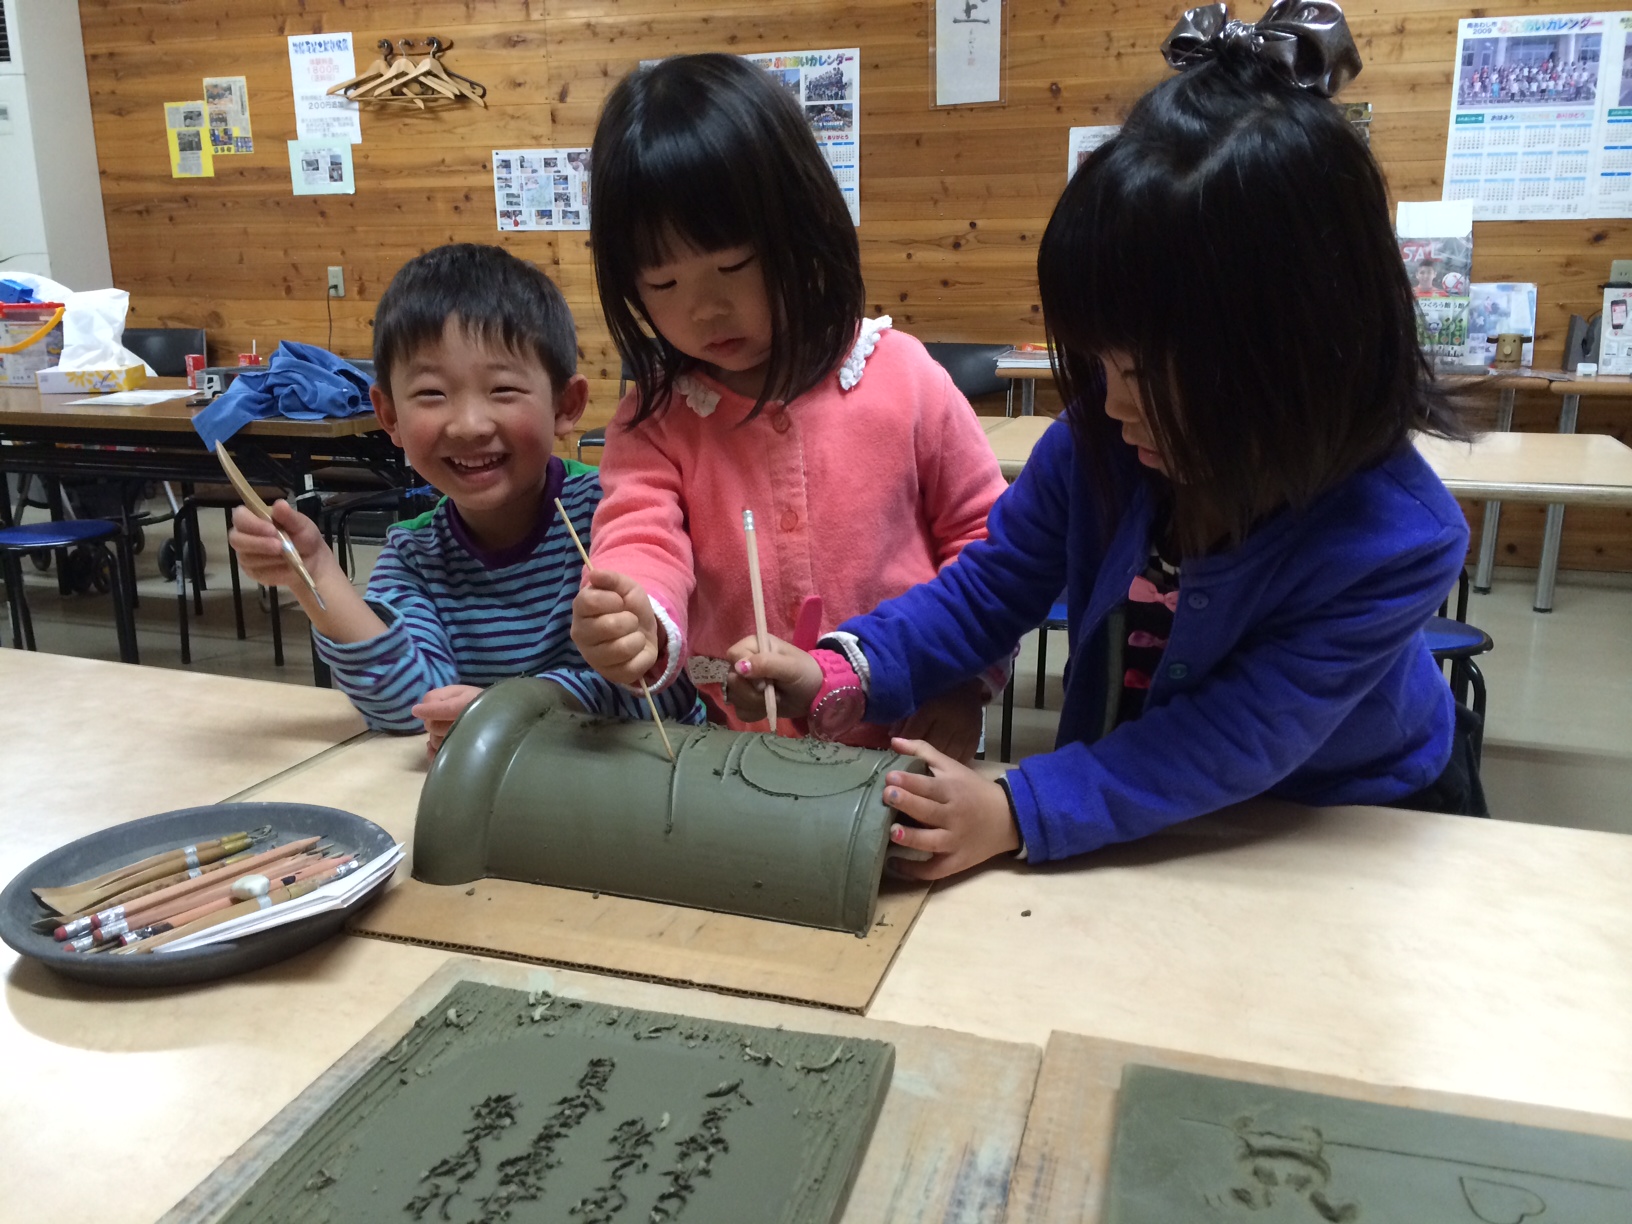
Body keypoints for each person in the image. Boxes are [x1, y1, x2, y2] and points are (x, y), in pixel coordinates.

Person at [730, 2, 1485, 880]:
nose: (1109, 405)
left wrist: (1019, 807)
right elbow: (988, 590)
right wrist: (845, 669)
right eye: (1099, 365)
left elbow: (1234, 736)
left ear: (1296, 360)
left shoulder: (1397, 540)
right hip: (1142, 804)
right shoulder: (1102, 440)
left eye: (1146, 376)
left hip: (1346, 832)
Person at [570, 53, 1008, 760]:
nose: (705, 309)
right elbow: (641, 543)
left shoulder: (901, 377)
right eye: (662, 282)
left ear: (800, 227)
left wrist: (961, 687)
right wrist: (637, 621)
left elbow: (990, 547)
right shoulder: (655, 426)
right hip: (739, 750)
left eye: (734, 266)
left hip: (914, 736)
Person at [229, 244, 703, 751]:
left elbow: (668, 690)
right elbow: (409, 707)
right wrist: (319, 577)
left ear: (566, 405)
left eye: (502, 390)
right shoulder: (413, 555)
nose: (469, 425)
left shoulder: (619, 518)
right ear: (389, 416)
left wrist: (506, 712)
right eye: (432, 394)